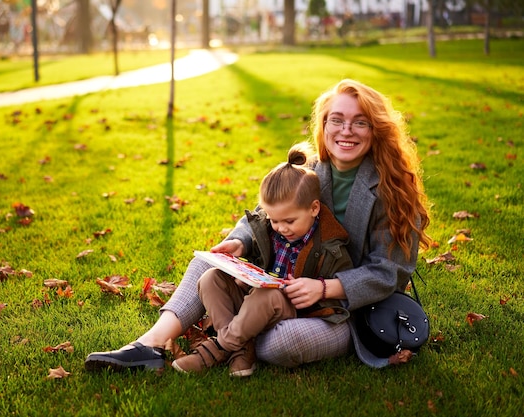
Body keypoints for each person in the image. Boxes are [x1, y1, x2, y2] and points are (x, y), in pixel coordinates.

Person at [84, 78, 431, 372]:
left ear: (376, 129)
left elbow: (390, 272)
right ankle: (150, 346)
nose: (346, 131)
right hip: (282, 285)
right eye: (336, 120)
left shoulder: (393, 187)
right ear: (323, 126)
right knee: (208, 261)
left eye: (360, 122)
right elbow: (263, 215)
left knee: (279, 345)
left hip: (341, 311)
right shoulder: (309, 169)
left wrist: (325, 288)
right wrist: (238, 243)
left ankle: (234, 338)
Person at [171, 143, 353, 377]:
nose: (281, 228)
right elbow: (258, 262)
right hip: (256, 301)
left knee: (267, 297)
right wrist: (244, 272)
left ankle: (219, 348)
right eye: (275, 220)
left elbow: (344, 287)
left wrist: (318, 288)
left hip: (296, 311)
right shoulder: (269, 229)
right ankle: (242, 352)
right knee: (210, 279)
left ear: (314, 208)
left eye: (289, 221)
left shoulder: (331, 246)